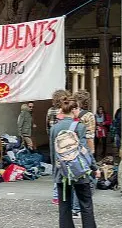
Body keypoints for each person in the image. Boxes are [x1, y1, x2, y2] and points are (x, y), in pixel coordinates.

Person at [49, 95, 99, 228]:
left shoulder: (54, 128)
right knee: (86, 205)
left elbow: (53, 153)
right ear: (74, 110)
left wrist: (55, 173)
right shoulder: (80, 126)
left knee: (64, 207)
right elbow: (85, 151)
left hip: (62, 172)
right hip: (79, 172)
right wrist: (94, 167)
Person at [71, 90, 97, 219]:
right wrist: (92, 153)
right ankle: (77, 208)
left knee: (74, 178)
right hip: (84, 150)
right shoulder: (89, 116)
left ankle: (74, 207)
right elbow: (90, 136)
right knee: (90, 179)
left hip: (70, 151)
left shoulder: (71, 114)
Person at [47, 90, 71, 205]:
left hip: (54, 138)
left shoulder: (50, 111)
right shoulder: (65, 111)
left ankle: (56, 195)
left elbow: (47, 126)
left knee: (56, 166)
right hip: (65, 141)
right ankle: (66, 192)